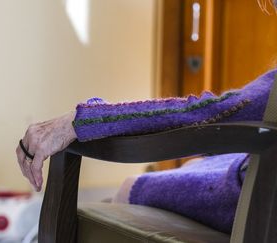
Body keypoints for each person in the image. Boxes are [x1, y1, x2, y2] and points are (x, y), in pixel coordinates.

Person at [15, 2, 277, 234]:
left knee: (129, 187)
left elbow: (205, 113)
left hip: (252, 199)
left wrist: (79, 121)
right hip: (243, 172)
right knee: (196, 164)